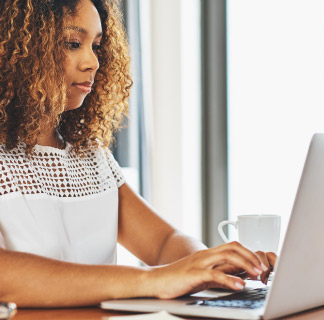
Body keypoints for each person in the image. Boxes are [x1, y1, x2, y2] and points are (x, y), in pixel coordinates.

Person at [0, 0, 276, 307]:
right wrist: (153, 280)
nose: (93, 61)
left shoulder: (90, 154)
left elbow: (163, 242)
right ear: (15, 50)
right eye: (73, 43)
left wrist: (207, 265)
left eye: (97, 45)